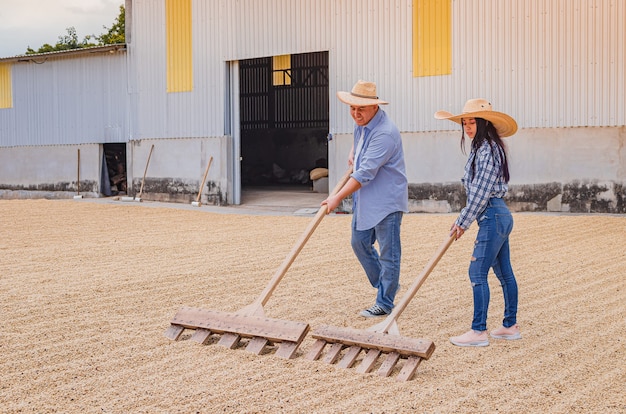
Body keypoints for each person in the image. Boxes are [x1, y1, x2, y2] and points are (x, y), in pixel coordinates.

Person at [435, 98, 521, 347]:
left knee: (477, 272)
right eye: (465, 122)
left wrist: (462, 221)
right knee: (504, 273)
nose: (468, 127)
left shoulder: (485, 149)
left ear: (484, 124)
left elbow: (481, 193)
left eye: (473, 122)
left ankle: (478, 331)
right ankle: (509, 326)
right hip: (500, 215)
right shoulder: (488, 147)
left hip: (492, 215)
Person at [322, 80, 408, 318]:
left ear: (374, 107)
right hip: (366, 198)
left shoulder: (385, 133)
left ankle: (385, 302)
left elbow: (364, 174)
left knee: (389, 253)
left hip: (387, 200)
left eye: (361, 109)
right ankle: (387, 285)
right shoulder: (362, 124)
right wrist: (353, 151)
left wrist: (335, 197)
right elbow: (360, 144)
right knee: (359, 242)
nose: (355, 113)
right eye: (352, 108)